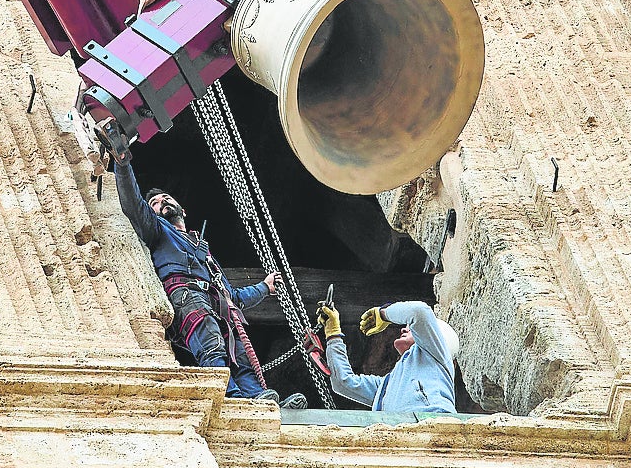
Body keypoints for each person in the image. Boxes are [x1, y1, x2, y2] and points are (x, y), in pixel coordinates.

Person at [101, 121, 307, 408]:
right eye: (156, 204)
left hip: (215, 301)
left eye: (165, 198)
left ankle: (260, 403)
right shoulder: (159, 232)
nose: (161, 203)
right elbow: (134, 204)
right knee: (211, 343)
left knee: (241, 353)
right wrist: (123, 163)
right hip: (186, 296)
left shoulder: (204, 251)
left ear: (182, 209)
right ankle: (232, 401)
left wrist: (264, 287)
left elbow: (232, 296)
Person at [316, 299, 458, 414]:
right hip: (402, 439)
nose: (403, 328)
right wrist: (333, 335)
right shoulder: (388, 385)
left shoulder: (435, 354)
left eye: (410, 326)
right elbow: (343, 383)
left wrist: (383, 313)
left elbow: (419, 312)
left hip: (434, 427)